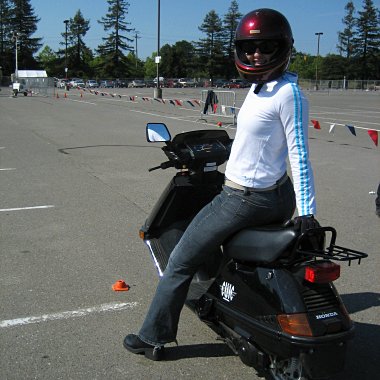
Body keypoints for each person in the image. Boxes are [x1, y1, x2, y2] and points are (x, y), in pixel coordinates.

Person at [123, 8, 319, 360]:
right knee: (215, 244)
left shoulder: (287, 93)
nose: (256, 54)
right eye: (249, 47)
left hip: (246, 198)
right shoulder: (262, 88)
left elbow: (299, 153)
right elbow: (255, 141)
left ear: (282, 48)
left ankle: (152, 337)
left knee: (180, 261)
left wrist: (308, 214)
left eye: (265, 46)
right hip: (270, 193)